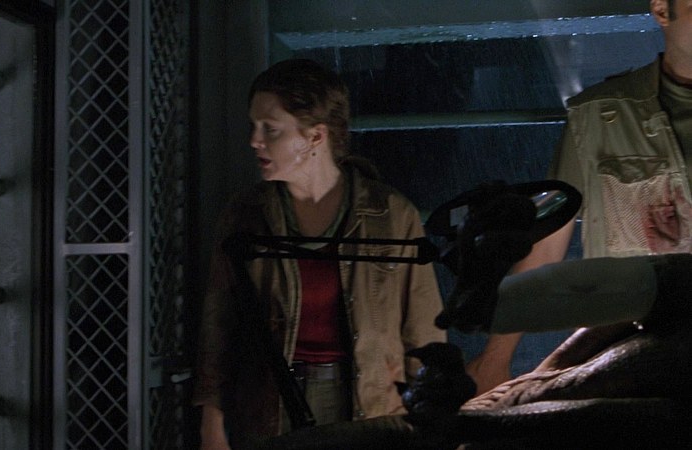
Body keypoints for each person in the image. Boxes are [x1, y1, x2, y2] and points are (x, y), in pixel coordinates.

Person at [192, 58, 446, 449]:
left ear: (316, 136)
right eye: (253, 126)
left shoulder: (390, 215)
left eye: (270, 129)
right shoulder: (246, 216)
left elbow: (424, 331)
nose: (255, 140)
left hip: (371, 408)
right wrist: (212, 423)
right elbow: (219, 328)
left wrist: (431, 420)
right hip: (269, 409)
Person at [466, 0, 692, 395]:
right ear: (662, 10)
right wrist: (496, 359)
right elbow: (546, 240)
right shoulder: (597, 117)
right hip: (623, 356)